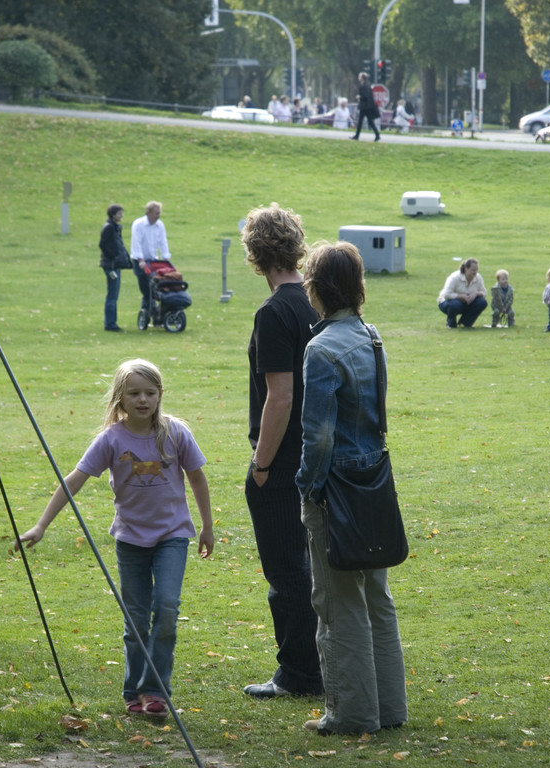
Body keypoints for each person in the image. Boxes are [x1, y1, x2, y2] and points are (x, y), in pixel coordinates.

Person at [18, 359, 213, 719]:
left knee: (167, 609)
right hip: (131, 540)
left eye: (150, 393)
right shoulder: (111, 439)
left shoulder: (175, 433)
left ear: (160, 395)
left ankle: (154, 690)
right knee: (136, 619)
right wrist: (41, 525)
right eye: (134, 393)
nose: (143, 400)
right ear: (120, 397)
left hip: (172, 536)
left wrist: (207, 526)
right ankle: (133, 689)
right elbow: (73, 480)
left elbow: (197, 478)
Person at [297, 241, 407, 736]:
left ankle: (352, 713)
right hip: (374, 478)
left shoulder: (320, 349)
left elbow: (317, 436)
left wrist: (306, 487)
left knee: (338, 604)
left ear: (317, 288)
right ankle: (389, 709)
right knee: (377, 598)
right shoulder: (371, 335)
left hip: (337, 486)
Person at [239, 204, 324, 700]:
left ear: (255, 253)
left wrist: (262, 466)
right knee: (313, 567)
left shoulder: (273, 312)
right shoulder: (316, 303)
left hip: (286, 460)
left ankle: (298, 674)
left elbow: (281, 395)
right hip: (320, 454)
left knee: (286, 569)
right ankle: (319, 663)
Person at [130, 201, 171, 315]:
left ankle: (148, 313)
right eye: (156, 213)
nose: (158, 215)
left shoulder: (160, 225)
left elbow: (163, 242)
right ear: (149, 212)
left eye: (159, 213)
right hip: (140, 261)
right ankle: (153, 312)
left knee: (154, 285)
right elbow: (136, 243)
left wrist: (166, 258)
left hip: (153, 260)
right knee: (146, 288)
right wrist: (140, 260)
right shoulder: (138, 224)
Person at [99, 203, 131, 331]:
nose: (121, 215)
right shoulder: (109, 228)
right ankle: (110, 324)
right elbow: (103, 244)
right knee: (112, 295)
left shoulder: (115, 227)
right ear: (113, 215)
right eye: (119, 213)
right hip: (111, 265)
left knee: (114, 294)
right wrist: (113, 256)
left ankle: (111, 322)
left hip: (115, 264)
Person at [437, 258, 487, 328]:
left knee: (482, 302)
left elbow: (484, 293)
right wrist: (461, 296)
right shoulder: (454, 278)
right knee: (455, 304)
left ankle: (466, 322)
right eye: (473, 270)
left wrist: (476, 293)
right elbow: (446, 294)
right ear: (466, 268)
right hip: (447, 302)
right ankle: (451, 323)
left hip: (467, 303)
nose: (475, 272)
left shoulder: (478, 278)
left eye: (476, 270)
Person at [351, 73, 381, 142]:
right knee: (367, 121)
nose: (358, 78)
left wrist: (359, 97)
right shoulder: (366, 85)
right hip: (366, 107)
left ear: (362, 78)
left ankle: (357, 136)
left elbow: (366, 97)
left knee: (364, 121)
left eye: (359, 77)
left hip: (366, 107)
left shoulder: (365, 86)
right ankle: (376, 135)